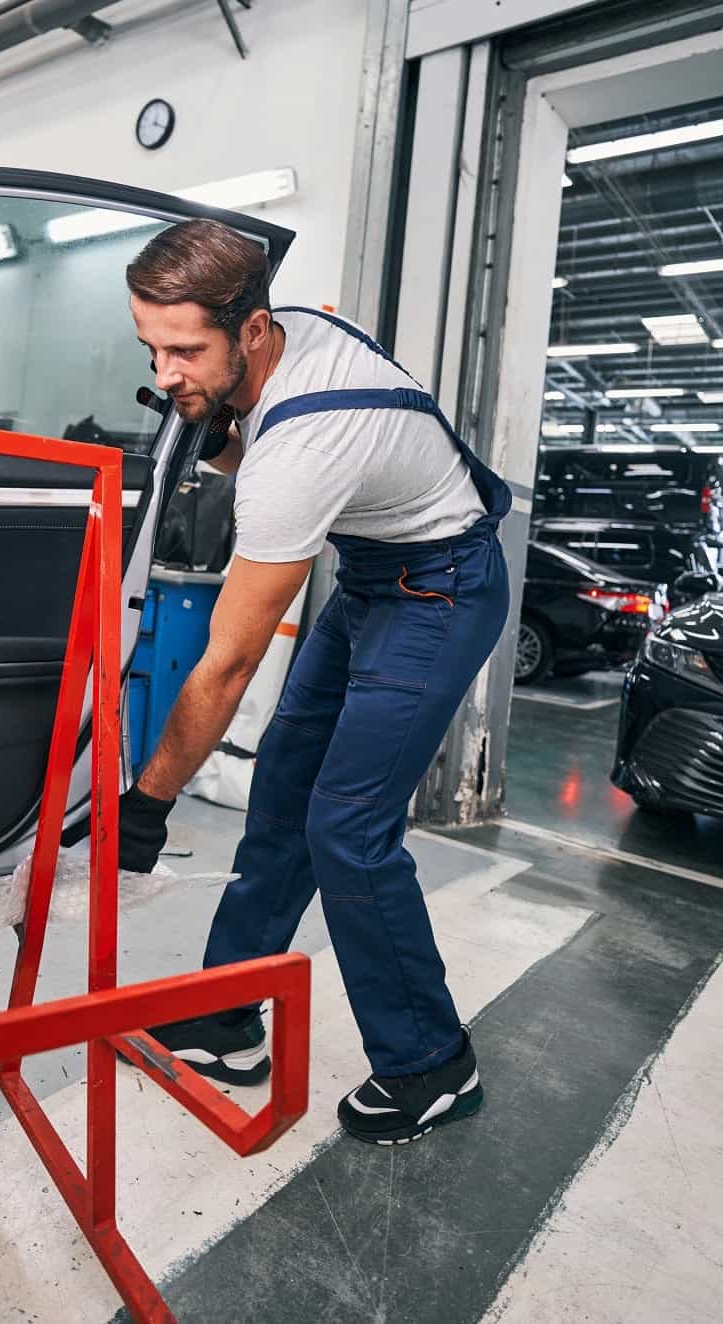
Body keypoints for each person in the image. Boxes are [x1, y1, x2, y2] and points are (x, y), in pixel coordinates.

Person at [116, 218, 510, 1147]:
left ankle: (431, 1064)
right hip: (378, 574)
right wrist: (206, 417)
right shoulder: (279, 328)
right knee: (287, 780)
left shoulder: (307, 442)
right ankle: (226, 1012)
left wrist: (148, 801)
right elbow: (240, 442)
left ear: (252, 331)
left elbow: (229, 661)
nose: (166, 373)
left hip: (442, 590)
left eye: (185, 351)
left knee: (349, 826)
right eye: (151, 349)